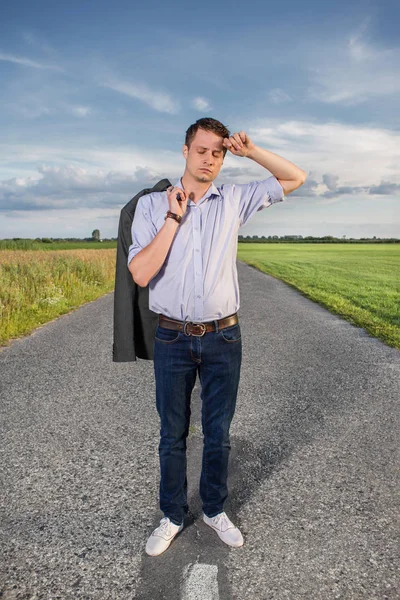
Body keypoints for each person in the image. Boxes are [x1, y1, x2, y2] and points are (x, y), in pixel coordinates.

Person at [127, 117, 306, 556]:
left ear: (225, 158)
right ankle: (171, 515)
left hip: (224, 336)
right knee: (172, 432)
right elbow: (141, 272)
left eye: (218, 153)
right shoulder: (151, 206)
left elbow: (295, 177)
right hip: (172, 336)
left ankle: (213, 509)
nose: (209, 159)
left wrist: (253, 151)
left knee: (218, 431)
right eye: (202, 150)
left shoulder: (236, 200)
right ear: (185, 151)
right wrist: (174, 216)